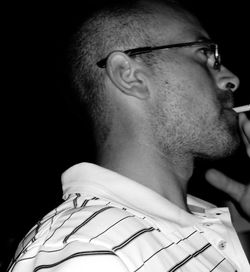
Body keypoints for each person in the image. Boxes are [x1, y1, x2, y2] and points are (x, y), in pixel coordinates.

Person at [8, 0, 250, 271]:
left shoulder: (206, 220)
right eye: (204, 52)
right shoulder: (90, 252)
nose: (231, 79)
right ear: (129, 75)